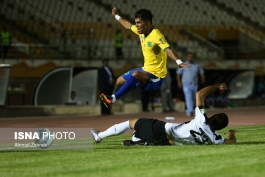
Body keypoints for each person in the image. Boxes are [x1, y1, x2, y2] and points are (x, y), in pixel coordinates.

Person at [90, 83, 237, 146]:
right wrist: (231, 135)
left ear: (211, 117)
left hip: (163, 130)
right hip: (168, 142)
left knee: (133, 123)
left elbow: (200, 94)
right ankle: (142, 142)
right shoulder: (214, 138)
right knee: (137, 135)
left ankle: (100, 136)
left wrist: (217, 86)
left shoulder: (202, 120)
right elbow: (230, 142)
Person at [100, 8, 190, 108]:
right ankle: (136, 82)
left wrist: (179, 62)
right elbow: (127, 26)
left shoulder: (156, 35)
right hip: (145, 69)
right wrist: (116, 15)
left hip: (156, 75)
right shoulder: (141, 31)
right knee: (119, 81)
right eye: (136, 23)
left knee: (135, 74)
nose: (137, 25)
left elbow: (167, 49)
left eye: (139, 23)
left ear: (147, 23)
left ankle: (111, 99)